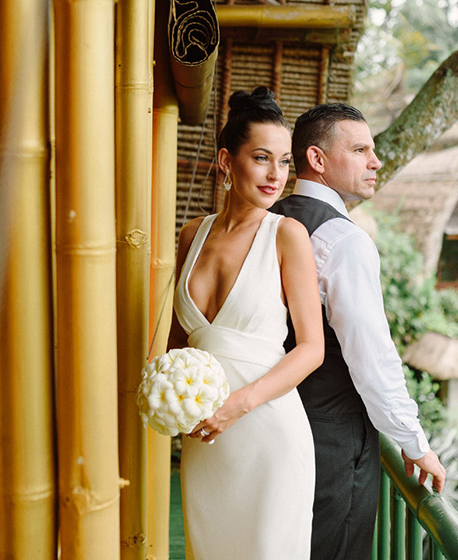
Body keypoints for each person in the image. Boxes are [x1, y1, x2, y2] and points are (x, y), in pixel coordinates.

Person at [270, 103, 447, 560]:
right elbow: (371, 358)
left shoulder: (267, 220)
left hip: (272, 424)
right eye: (361, 149)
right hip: (333, 437)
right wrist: (414, 442)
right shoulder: (344, 241)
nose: (376, 161)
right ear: (317, 159)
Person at [167, 86, 325, 560]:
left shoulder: (287, 235)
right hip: (206, 445)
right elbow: (180, 345)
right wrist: (169, 398)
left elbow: (311, 349)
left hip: (268, 435)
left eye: (283, 162)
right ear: (225, 161)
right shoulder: (192, 234)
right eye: (261, 158)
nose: (276, 174)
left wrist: (238, 404)